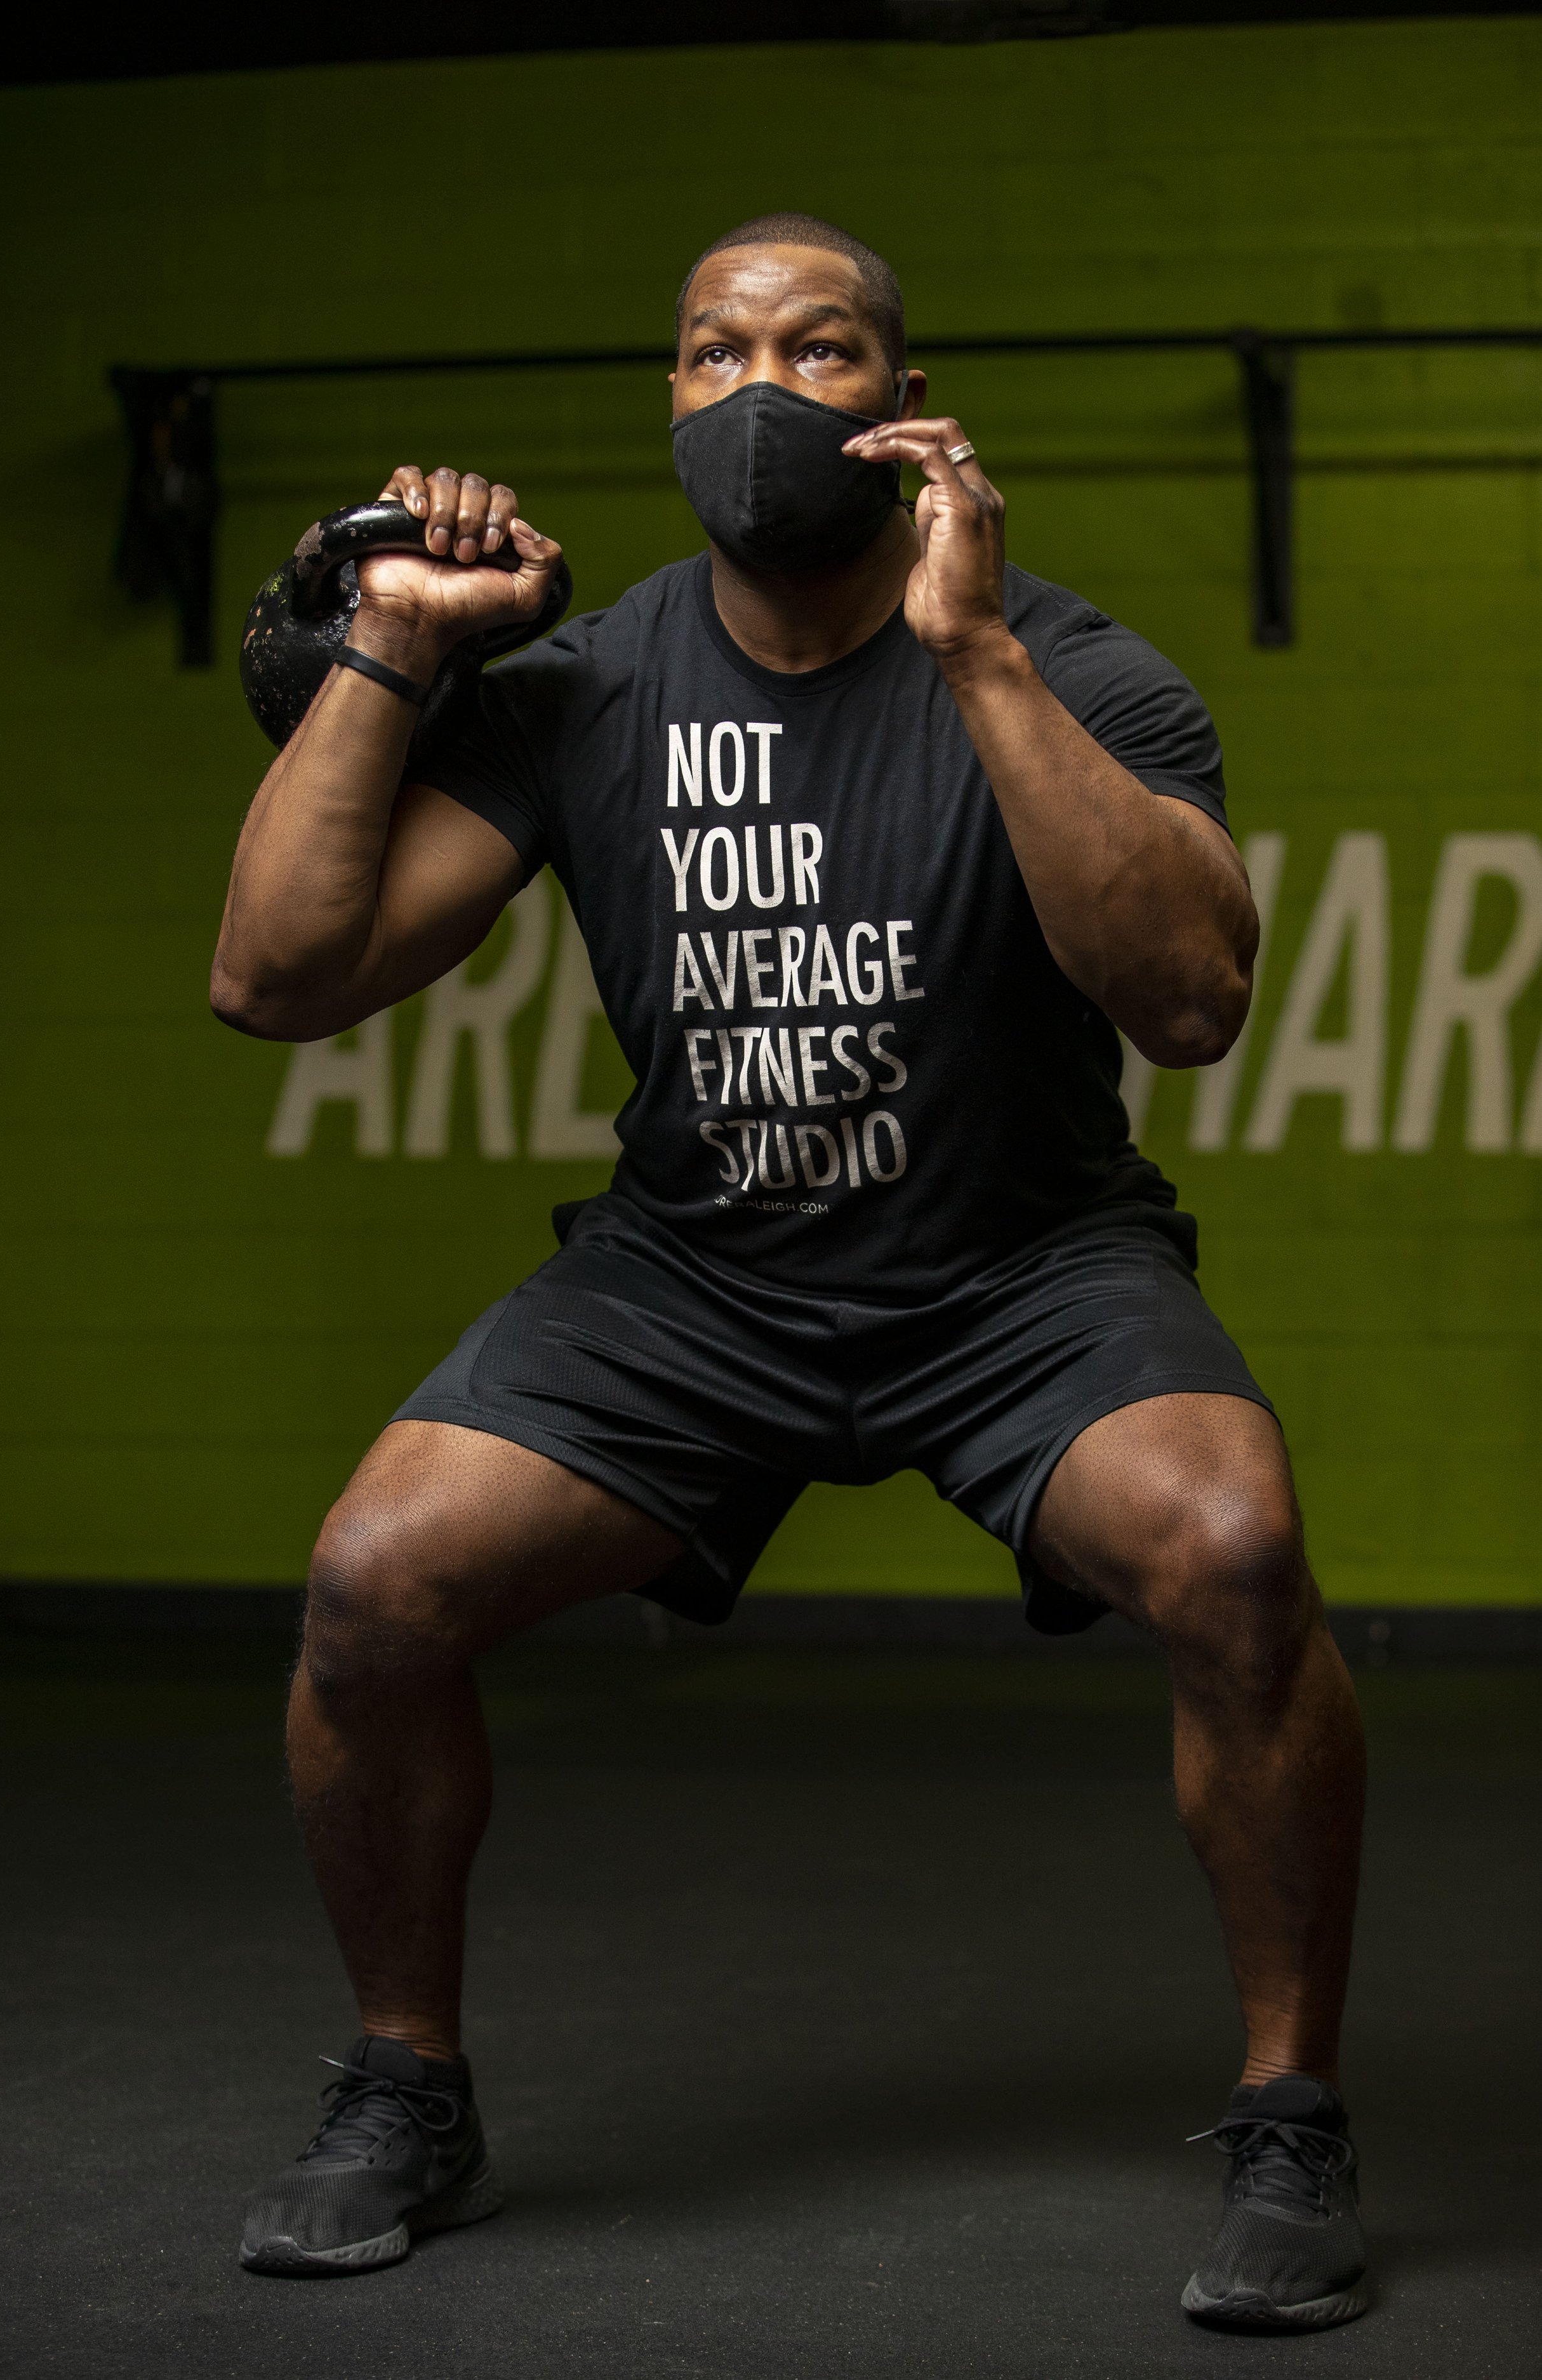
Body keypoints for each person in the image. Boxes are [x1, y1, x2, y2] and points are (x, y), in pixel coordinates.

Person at [211, 213, 1368, 2330]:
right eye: (709, 352)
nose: (757, 390)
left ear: (900, 407)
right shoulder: (584, 688)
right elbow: (276, 978)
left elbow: (1192, 1003)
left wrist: (979, 654)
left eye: (815, 350)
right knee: (376, 1579)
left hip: (1018, 1275)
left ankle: (1290, 2110)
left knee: (1232, 1549)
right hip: (695, 1286)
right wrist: (393, 638)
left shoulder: (1077, 663)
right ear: (668, 403)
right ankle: (407, 2083)